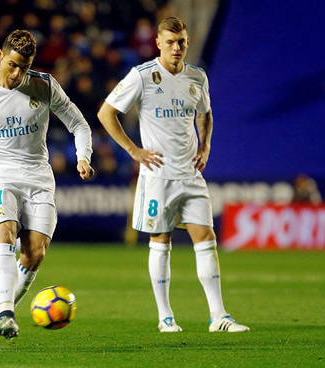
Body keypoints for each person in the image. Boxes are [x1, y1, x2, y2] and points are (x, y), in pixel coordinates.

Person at [97, 17, 249, 333]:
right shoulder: (142, 76)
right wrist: (133, 151)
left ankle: (218, 316)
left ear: (187, 42)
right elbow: (106, 112)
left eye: (180, 42)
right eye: (169, 42)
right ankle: (166, 317)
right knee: (160, 241)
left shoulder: (197, 77)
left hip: (191, 175)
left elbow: (205, 113)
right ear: (158, 43)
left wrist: (205, 146)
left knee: (206, 239)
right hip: (157, 176)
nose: (176, 48)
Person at [0, 29, 94, 351]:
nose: (17, 74)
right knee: (6, 234)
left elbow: (79, 124)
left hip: (38, 178)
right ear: (0, 56)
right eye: (12, 65)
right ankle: (8, 311)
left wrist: (83, 156)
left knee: (34, 253)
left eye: (24, 67)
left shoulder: (44, 85)